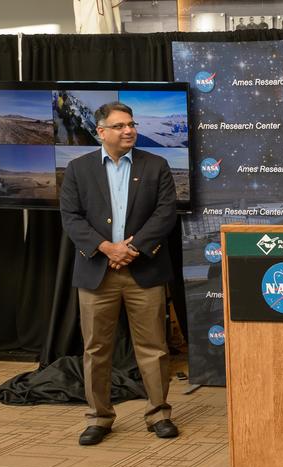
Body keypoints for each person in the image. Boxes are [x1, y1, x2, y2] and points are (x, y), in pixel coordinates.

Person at [59, 101, 179, 446]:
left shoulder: (156, 165)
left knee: (153, 347)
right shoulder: (78, 169)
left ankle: (159, 414)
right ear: (101, 132)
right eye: (120, 126)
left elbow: (165, 213)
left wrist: (132, 248)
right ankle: (99, 418)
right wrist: (105, 247)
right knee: (96, 349)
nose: (129, 130)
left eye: (132, 124)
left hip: (145, 269)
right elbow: (71, 217)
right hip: (97, 271)